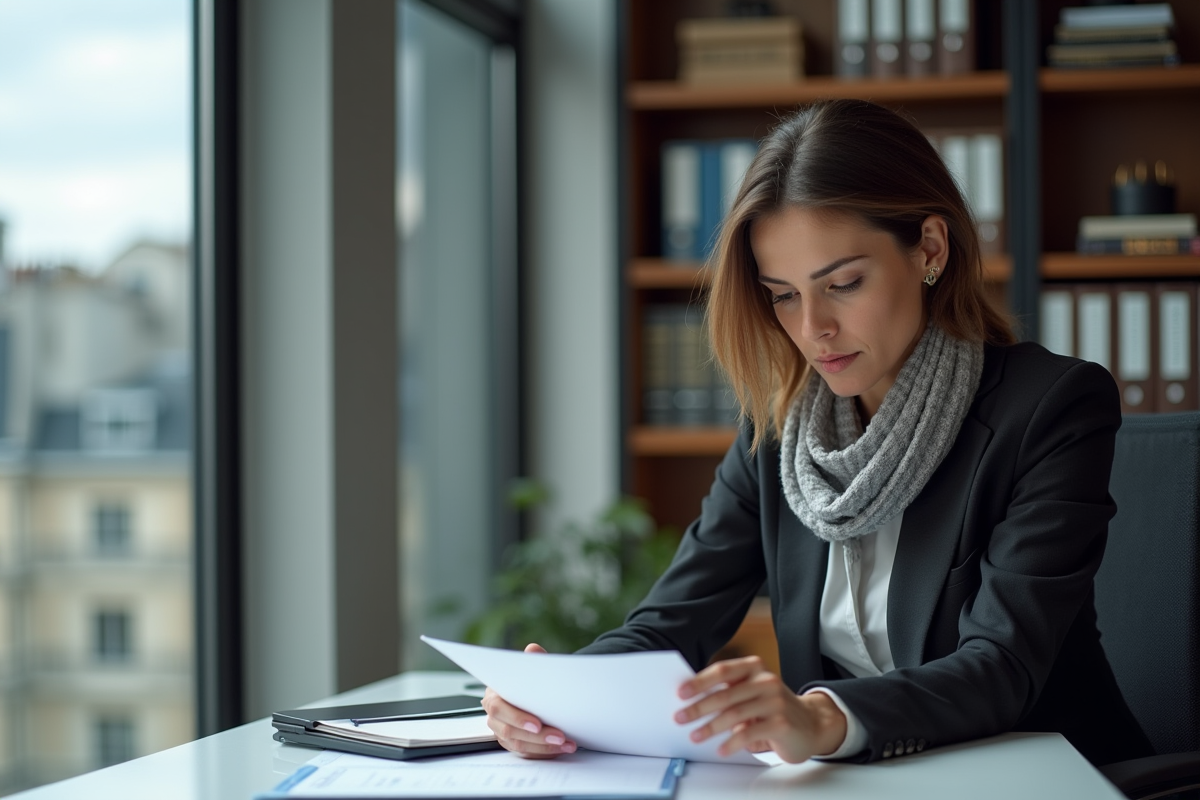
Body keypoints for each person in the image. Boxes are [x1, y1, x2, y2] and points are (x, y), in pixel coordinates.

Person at [481, 98, 1154, 766]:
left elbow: (1002, 665)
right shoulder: (779, 431)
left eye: (844, 283)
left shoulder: (1051, 408)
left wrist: (824, 718)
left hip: (1041, 775)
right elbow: (670, 624)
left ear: (929, 248)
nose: (812, 329)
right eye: (783, 294)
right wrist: (558, 699)